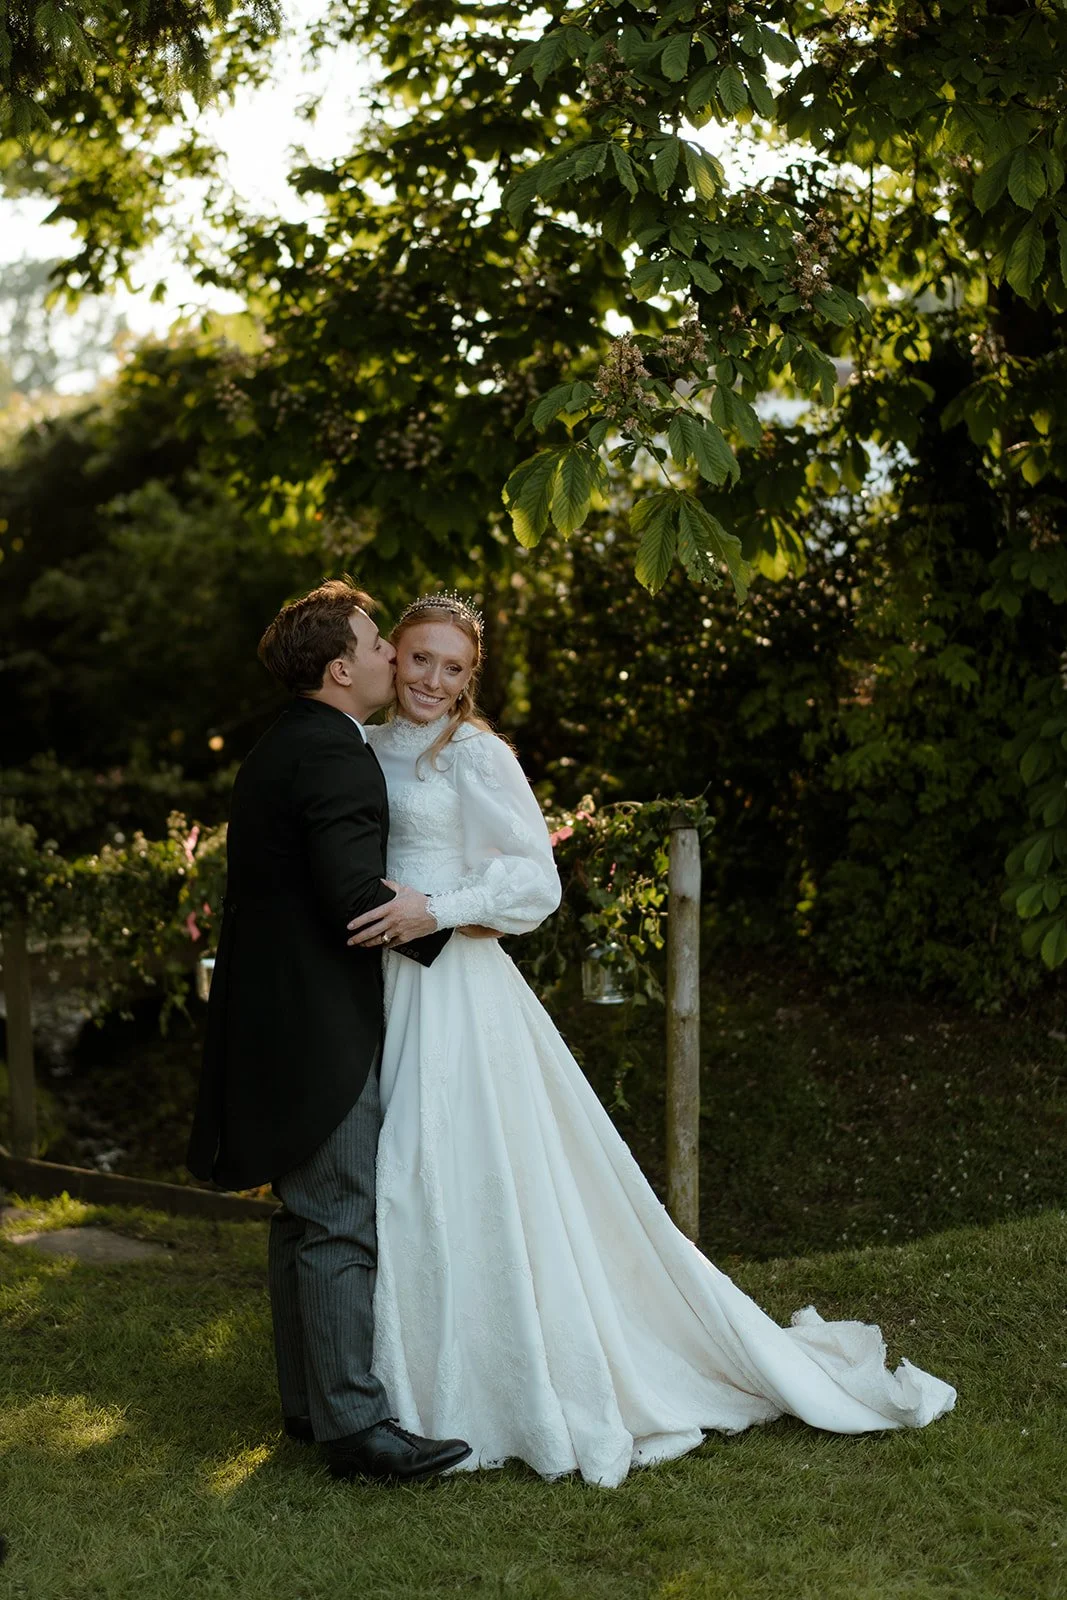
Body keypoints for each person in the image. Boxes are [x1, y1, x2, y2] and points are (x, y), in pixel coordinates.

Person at [346, 591, 957, 1489]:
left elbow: (535, 883)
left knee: (440, 1165)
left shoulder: (473, 753)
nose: (432, 679)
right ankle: (396, 1384)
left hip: (455, 989)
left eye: (454, 667)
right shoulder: (361, 745)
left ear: (471, 679)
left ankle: (480, 1386)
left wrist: (434, 908)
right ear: (391, 654)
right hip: (377, 987)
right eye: (420, 658)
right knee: (392, 1174)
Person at [187, 578, 471, 1484]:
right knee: (340, 1216)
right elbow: (353, 898)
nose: (392, 654)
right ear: (342, 669)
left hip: (268, 1014)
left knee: (302, 1217)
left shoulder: (282, 744)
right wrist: (455, 933)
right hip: (317, 1025)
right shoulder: (337, 755)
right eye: (378, 644)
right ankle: (356, 1430)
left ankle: (310, 1406)